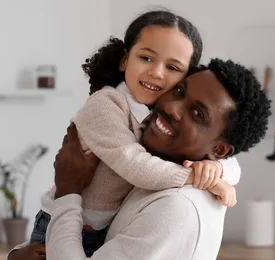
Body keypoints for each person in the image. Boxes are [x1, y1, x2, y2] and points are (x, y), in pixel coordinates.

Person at [9, 58, 272, 260]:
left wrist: (68, 189)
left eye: (197, 114)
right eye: (179, 90)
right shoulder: (154, 169)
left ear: (221, 150)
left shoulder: (175, 206)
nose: (170, 107)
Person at [29, 10, 241, 257]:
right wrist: (197, 177)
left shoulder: (158, 116)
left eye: (172, 67)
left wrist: (219, 170)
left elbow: (229, 160)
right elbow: (136, 165)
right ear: (124, 60)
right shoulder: (106, 105)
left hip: (100, 227)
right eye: (146, 58)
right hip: (62, 222)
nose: (157, 73)